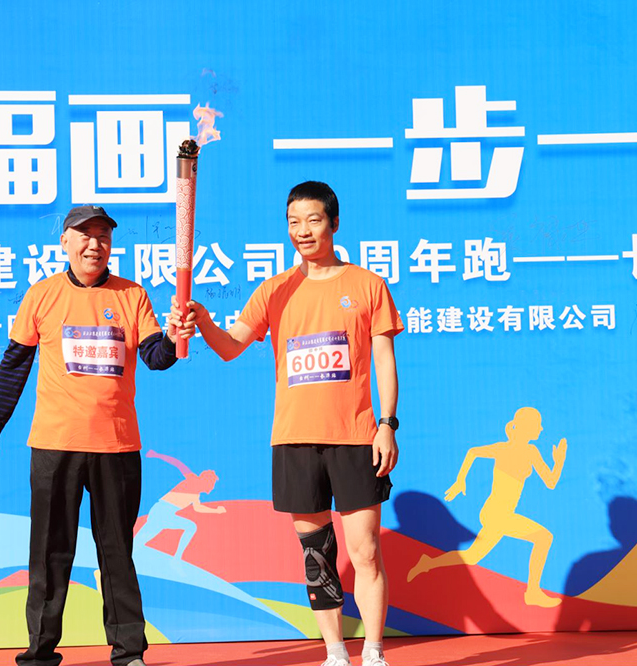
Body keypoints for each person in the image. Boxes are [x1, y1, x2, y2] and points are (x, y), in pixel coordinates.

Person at [172, 181, 403, 666]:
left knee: (365, 551)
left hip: (355, 437)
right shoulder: (275, 289)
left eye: (313, 220)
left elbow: (384, 358)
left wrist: (387, 424)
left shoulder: (367, 285)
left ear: (334, 223)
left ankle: (374, 651)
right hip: (295, 440)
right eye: (294, 222)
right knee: (316, 555)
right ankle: (335, 653)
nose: (303, 231)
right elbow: (231, 346)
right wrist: (203, 320)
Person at [0, 205, 179, 666]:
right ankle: (40, 652)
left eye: (103, 235)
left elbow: (156, 357)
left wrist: (172, 338)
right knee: (50, 553)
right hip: (55, 446)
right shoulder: (43, 295)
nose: (94, 244)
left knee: (117, 552)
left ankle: (129, 652)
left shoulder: (132, 295)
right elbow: (14, 366)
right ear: (64, 242)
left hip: (116, 447)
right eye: (84, 235)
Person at [408, 406, 567, 607]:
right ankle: (533, 592)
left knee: (472, 556)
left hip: (502, 514)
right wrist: (460, 480)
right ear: (526, 427)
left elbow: (550, 482)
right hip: (496, 513)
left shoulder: (532, 452)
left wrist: (559, 461)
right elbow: (473, 452)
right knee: (544, 538)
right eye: (538, 425)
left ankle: (428, 562)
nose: (541, 429)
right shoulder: (503, 448)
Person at [135, 449, 225, 561]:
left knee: (190, 527)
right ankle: (176, 559)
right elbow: (177, 463)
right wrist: (156, 455)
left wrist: (216, 511)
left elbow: (198, 508)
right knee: (139, 542)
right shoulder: (193, 479)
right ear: (206, 481)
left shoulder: (196, 494)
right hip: (161, 512)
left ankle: (176, 558)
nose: (212, 487)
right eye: (212, 483)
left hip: (165, 514)